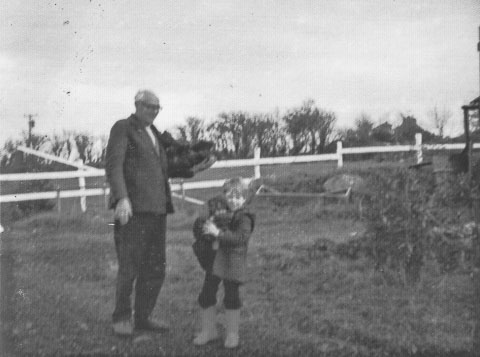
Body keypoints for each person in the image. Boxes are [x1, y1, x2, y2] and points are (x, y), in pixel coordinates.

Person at [105, 89, 176, 336]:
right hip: (133, 211)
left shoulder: (154, 133)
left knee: (156, 267)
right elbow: (114, 165)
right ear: (137, 105)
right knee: (130, 265)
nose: (154, 111)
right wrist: (122, 198)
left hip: (158, 211)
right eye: (149, 107)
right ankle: (121, 318)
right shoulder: (123, 127)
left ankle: (143, 318)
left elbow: (160, 168)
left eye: (157, 108)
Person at [192, 177, 255, 349]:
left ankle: (232, 334)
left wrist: (217, 233)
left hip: (232, 262)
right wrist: (206, 228)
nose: (233, 200)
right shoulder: (220, 213)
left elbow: (240, 238)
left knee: (231, 296)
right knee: (206, 294)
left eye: (238, 197)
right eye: (230, 196)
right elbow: (203, 228)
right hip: (215, 261)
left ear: (244, 198)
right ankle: (209, 331)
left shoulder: (245, 217)